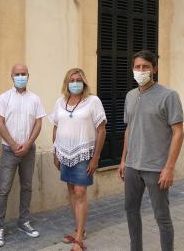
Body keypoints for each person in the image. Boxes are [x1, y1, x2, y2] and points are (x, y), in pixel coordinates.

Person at [118, 50, 184, 251]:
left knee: (162, 217)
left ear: (154, 68)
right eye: (137, 67)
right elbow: (129, 129)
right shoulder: (130, 96)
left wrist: (169, 168)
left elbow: (178, 132)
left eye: (145, 67)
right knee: (131, 211)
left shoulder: (168, 96)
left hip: (156, 168)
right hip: (131, 166)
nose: (141, 70)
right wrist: (123, 160)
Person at [50, 68, 106, 251]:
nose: (75, 83)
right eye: (72, 80)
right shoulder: (60, 102)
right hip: (64, 153)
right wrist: (55, 152)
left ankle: (79, 237)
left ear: (84, 82)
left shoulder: (93, 101)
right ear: (66, 83)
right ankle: (78, 229)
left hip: (83, 153)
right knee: (72, 192)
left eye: (78, 79)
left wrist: (96, 157)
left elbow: (101, 130)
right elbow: (56, 128)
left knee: (80, 192)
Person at [0, 63, 46, 247]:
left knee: (27, 187)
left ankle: (23, 221)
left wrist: (28, 143)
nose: (20, 77)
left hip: (29, 151)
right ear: (12, 76)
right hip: (10, 150)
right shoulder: (4, 98)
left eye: (23, 74)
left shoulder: (35, 99)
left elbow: (39, 123)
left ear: (28, 76)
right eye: (17, 74)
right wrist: (14, 144)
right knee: (3, 189)